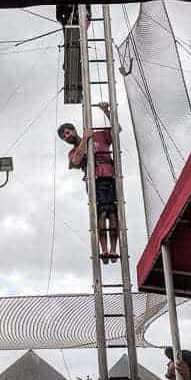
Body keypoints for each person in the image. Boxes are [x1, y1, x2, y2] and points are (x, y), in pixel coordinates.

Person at [58, 103, 119, 262]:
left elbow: (116, 130)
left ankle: (113, 249)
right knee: (101, 212)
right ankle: (104, 250)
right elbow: (77, 160)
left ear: (73, 129)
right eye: (64, 136)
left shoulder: (98, 136)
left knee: (113, 213)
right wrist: (85, 139)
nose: (67, 136)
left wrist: (107, 112)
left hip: (110, 176)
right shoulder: (74, 150)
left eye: (68, 132)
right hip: (94, 180)